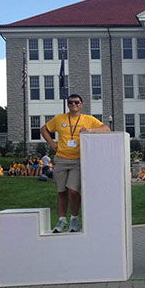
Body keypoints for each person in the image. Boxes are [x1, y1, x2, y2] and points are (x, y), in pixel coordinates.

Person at [41, 94, 109, 233]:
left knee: (73, 190)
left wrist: (90, 130)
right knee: (61, 191)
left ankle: (74, 219)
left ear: (81, 104)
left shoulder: (87, 119)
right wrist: (52, 144)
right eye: (71, 102)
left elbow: (106, 129)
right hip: (61, 159)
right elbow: (44, 129)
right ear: (68, 105)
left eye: (77, 102)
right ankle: (61, 220)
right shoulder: (59, 119)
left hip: (78, 160)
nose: (74, 105)